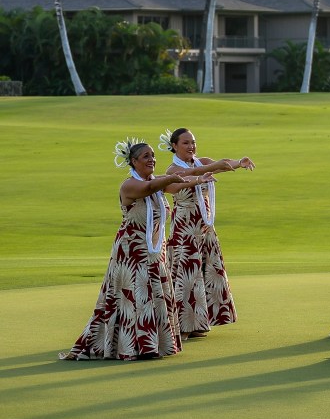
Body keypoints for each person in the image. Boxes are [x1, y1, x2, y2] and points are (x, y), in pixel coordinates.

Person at [60, 139, 208, 361]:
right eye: (146, 156)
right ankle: (129, 346)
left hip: (154, 253)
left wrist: (197, 179)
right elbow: (148, 188)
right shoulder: (129, 185)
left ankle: (152, 345)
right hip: (131, 254)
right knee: (134, 297)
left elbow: (175, 185)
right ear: (133, 161)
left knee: (153, 296)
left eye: (153, 156)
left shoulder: (158, 182)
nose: (152, 160)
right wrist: (171, 178)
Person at [159, 127, 255, 338]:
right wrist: (214, 166)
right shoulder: (172, 170)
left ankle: (198, 323)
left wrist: (239, 163)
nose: (191, 146)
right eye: (186, 143)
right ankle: (181, 326)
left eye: (193, 142)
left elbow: (222, 165)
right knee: (185, 275)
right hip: (185, 228)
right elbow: (187, 176)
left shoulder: (200, 162)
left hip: (204, 226)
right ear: (174, 146)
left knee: (205, 272)